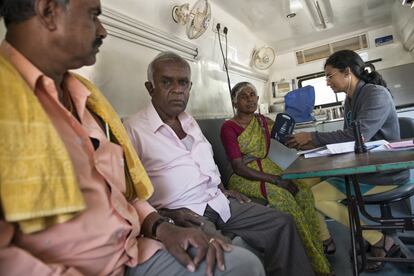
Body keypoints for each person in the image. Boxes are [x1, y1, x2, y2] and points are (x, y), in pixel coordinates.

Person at [0, 1, 266, 276]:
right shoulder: (8, 103)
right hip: (83, 267)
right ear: (48, 11)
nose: (102, 30)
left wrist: (160, 226)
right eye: (93, 16)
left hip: (134, 247)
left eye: (183, 83)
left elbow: (119, 194)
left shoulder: (87, 102)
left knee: (243, 264)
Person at [124, 51, 316, 276]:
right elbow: (129, 193)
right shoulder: (133, 129)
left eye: (183, 83)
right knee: (225, 255)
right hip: (184, 214)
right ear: (150, 87)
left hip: (218, 200)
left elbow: (205, 162)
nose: (177, 89)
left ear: (190, 87)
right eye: (167, 82)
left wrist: (223, 189)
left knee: (282, 223)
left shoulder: (189, 121)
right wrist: (164, 213)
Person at [287, 49, 411, 272]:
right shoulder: (350, 100)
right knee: (302, 185)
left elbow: (358, 136)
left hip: (383, 173)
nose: (327, 82)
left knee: (315, 197)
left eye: (329, 75)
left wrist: (314, 137)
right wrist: (313, 144)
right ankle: (326, 242)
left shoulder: (376, 95)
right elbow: (348, 141)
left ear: (347, 72)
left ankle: (379, 240)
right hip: (361, 170)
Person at [220, 81, 331, 275]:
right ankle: (306, 262)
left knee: (304, 193)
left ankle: (316, 252)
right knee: (284, 198)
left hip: (269, 169)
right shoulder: (229, 127)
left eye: (252, 94)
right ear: (235, 103)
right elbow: (238, 167)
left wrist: (316, 145)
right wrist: (275, 180)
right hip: (245, 175)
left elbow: (286, 142)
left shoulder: (264, 122)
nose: (250, 99)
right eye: (243, 96)